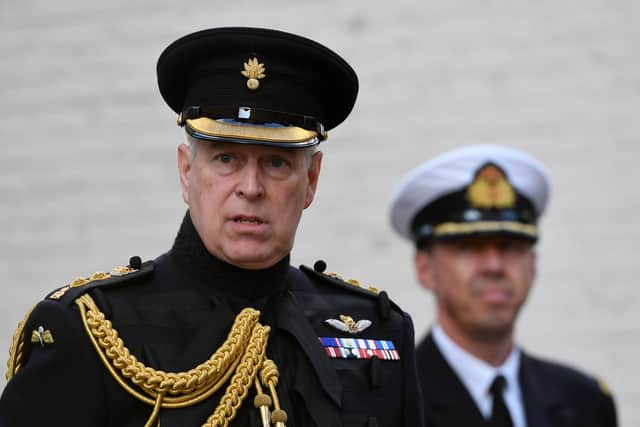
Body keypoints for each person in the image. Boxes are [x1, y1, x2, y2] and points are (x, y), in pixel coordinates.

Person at [0, 27, 423, 427]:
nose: (251, 188)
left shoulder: (377, 330)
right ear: (186, 172)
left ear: (311, 181)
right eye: (226, 160)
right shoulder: (93, 330)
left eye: (276, 163)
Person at [389, 145, 617, 427]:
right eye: (468, 247)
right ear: (425, 269)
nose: (494, 266)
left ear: (532, 265)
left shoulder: (584, 401)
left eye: (510, 247)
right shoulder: (390, 402)